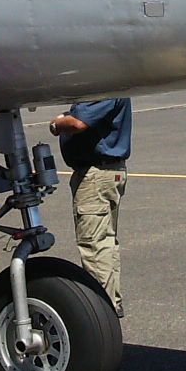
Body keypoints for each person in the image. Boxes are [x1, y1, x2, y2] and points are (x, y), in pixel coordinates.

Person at [48, 99, 132, 318]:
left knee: (94, 245)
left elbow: (78, 123)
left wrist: (56, 124)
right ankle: (112, 301)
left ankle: (102, 309)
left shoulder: (104, 84)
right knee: (106, 241)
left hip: (96, 175)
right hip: (108, 172)